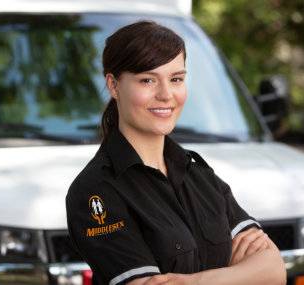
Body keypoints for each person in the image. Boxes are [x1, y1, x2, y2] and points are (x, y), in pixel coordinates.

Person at [65, 21, 286, 285]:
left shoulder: (199, 174)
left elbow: (274, 270)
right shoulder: (95, 192)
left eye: (176, 79)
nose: (166, 94)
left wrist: (190, 282)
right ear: (114, 86)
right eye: (147, 80)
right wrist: (241, 276)